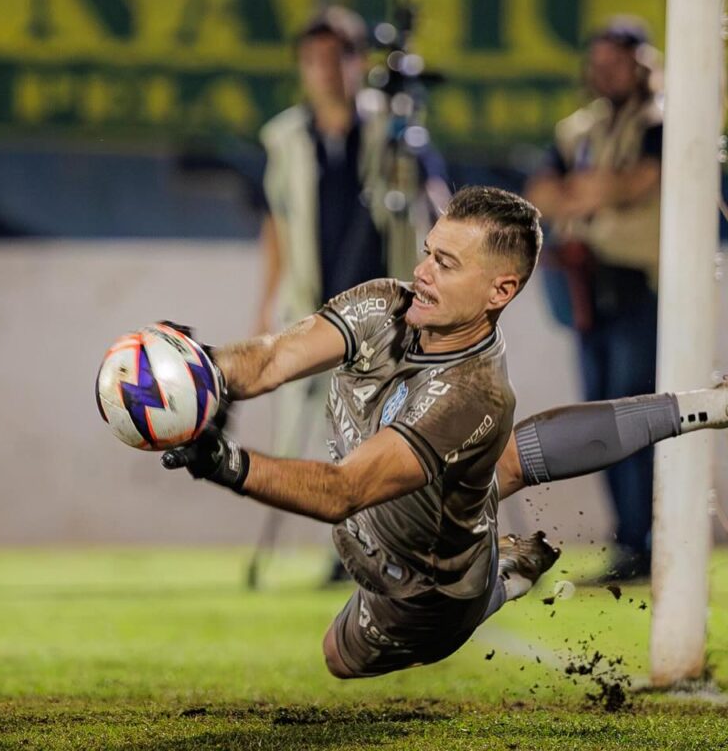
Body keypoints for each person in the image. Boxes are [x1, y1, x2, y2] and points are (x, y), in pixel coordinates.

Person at [161, 185, 727, 678]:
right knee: (495, 466)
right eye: (428, 252)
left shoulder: (473, 394)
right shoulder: (384, 303)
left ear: (499, 292)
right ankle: (705, 406)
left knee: (339, 657)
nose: (423, 272)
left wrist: (221, 460)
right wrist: (196, 369)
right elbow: (269, 360)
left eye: (447, 264)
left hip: (424, 590)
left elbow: (343, 492)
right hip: (419, 505)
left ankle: (501, 580)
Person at [254, 6, 448, 583]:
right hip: (316, 309)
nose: (326, 70)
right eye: (313, 59)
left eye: (338, 56)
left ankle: (401, 547)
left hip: (387, 311)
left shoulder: (390, 127)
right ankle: (349, 551)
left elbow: (435, 200)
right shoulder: (286, 138)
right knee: (326, 436)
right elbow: (277, 224)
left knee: (392, 433)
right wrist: (266, 307)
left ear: (359, 62)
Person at [525, 17, 664, 581]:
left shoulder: (661, 120)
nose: (606, 74)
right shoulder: (579, 128)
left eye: (618, 62)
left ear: (642, 63)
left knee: (636, 412)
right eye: (600, 63)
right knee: (600, 417)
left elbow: (638, 183)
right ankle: (628, 538)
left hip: (639, 280)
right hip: (589, 281)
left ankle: (647, 537)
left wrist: (592, 189)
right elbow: (539, 192)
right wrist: (603, 187)